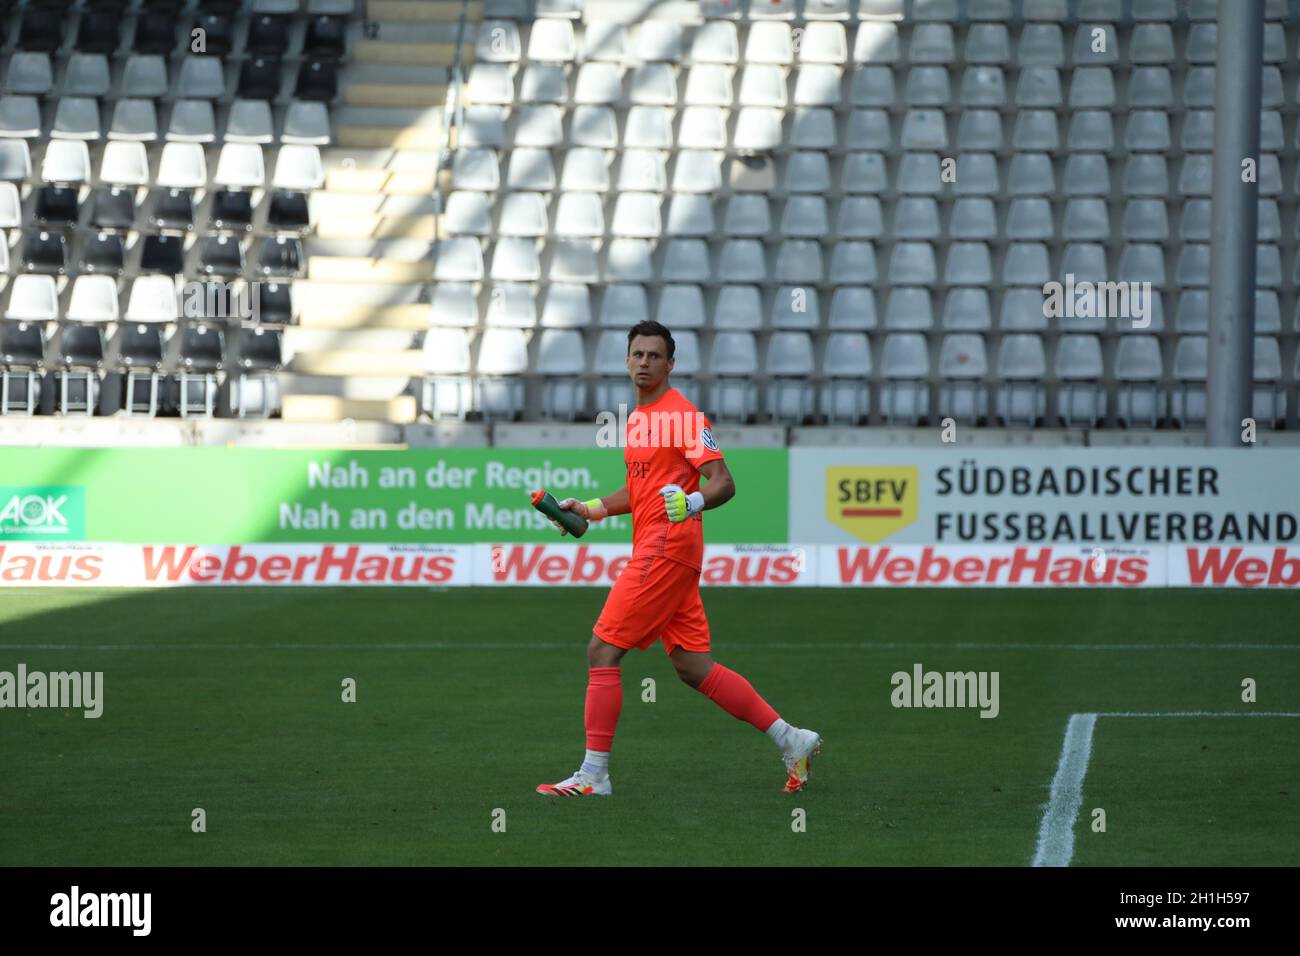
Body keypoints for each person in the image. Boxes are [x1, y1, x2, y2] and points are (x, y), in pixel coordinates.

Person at [535, 320, 822, 796]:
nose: (644, 362)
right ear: (627, 360)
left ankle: (593, 775)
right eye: (637, 354)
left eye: (654, 355)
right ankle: (792, 740)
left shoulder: (684, 417)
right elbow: (640, 488)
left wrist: (692, 502)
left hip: (666, 549)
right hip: (668, 551)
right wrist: (590, 509)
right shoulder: (641, 419)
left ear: (671, 363)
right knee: (693, 667)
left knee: (602, 650)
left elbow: (723, 482)